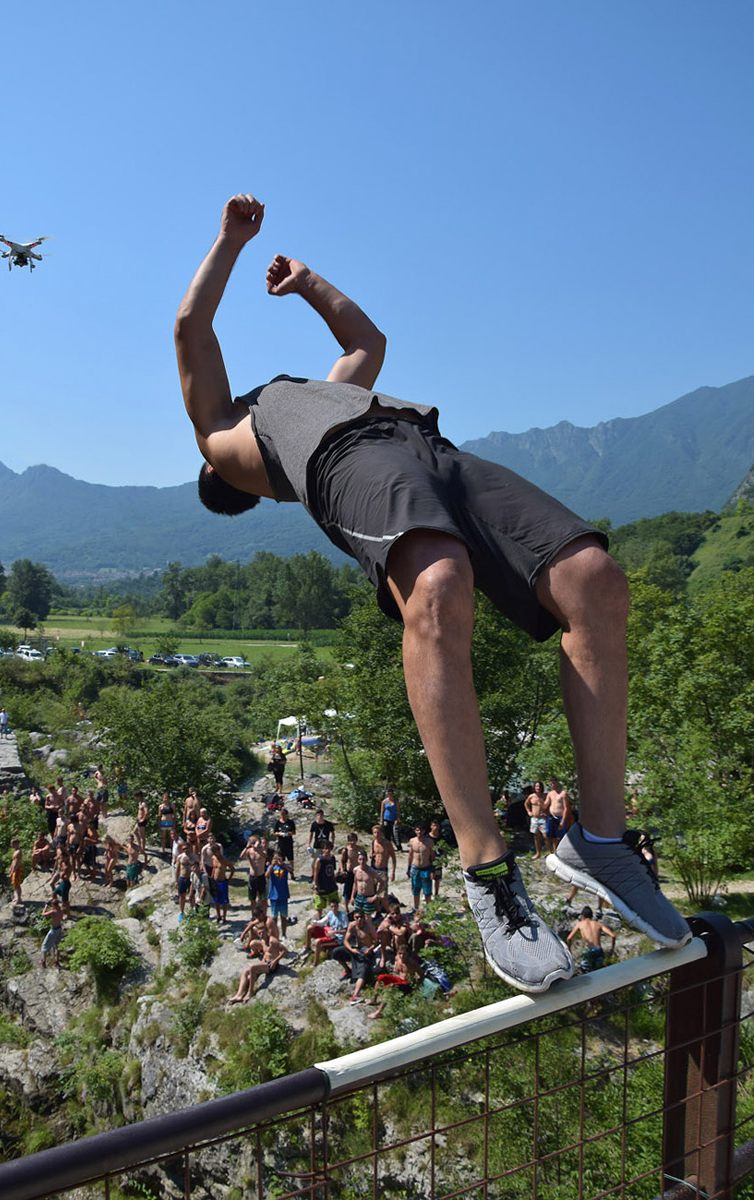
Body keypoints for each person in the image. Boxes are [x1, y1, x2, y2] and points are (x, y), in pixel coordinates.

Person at [174, 193, 691, 993]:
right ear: (224, 474)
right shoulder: (225, 439)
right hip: (351, 465)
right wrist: (229, 242)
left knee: (593, 578)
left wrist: (307, 282)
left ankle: (600, 841)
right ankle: (487, 873)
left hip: (423, 442)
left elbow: (366, 342)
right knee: (438, 582)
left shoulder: (318, 393)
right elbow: (191, 329)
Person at [567, 905, 617, 973]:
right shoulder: (598, 924)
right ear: (591, 915)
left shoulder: (580, 924)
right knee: (599, 972)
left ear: (583, 916)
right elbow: (613, 936)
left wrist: (569, 952)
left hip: (588, 951)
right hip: (598, 950)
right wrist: (611, 950)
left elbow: (569, 938)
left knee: (587, 972)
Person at [406, 821, 436, 910]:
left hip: (426, 868)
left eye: (421, 830)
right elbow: (410, 855)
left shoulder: (429, 842)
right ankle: (416, 909)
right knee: (415, 889)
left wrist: (433, 870)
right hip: (415, 868)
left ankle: (428, 909)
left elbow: (433, 856)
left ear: (424, 831)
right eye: (417, 830)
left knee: (427, 891)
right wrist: (408, 868)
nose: (419, 832)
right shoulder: (412, 841)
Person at [545, 776, 574, 851]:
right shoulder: (550, 794)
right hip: (552, 817)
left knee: (560, 836)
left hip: (560, 817)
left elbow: (566, 808)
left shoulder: (563, 793)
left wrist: (563, 821)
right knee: (553, 837)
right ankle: (555, 852)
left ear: (557, 782)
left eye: (553, 783)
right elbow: (545, 805)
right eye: (551, 784)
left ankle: (562, 851)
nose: (552, 785)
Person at [312, 845, 339, 918]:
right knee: (320, 905)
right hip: (322, 885)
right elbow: (316, 873)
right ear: (323, 849)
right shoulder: (319, 860)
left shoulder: (332, 858)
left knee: (334, 902)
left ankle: (335, 917)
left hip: (331, 884)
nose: (327, 850)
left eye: (328, 848)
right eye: (325, 849)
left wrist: (335, 882)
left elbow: (332, 871)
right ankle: (319, 918)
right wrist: (316, 885)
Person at [524, 782, 549, 861]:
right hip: (534, 818)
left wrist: (547, 813)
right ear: (534, 787)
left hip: (542, 818)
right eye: (536, 786)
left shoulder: (545, 796)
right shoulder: (531, 796)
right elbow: (526, 804)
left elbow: (548, 805)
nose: (538, 788)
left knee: (545, 835)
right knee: (536, 836)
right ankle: (538, 853)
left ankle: (550, 852)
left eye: (539, 786)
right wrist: (529, 811)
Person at [40, 896, 65, 968]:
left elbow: (43, 914)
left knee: (45, 945)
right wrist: (51, 900)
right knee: (58, 946)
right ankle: (57, 962)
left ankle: (43, 962)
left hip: (53, 930)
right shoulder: (61, 909)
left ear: (53, 905)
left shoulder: (53, 911)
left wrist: (46, 906)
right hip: (59, 929)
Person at [8, 838, 24, 905]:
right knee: (15, 884)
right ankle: (17, 897)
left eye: (12, 844)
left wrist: (12, 871)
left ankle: (19, 899)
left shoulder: (18, 852)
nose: (11, 845)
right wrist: (10, 868)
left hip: (17, 869)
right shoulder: (15, 851)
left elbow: (16, 863)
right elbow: (13, 861)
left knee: (17, 884)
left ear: (16, 844)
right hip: (14, 869)